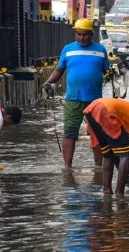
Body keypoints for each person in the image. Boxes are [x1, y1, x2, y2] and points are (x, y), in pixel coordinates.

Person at [43, 18, 110, 170]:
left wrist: (114, 76)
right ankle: (67, 167)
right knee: (70, 132)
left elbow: (107, 72)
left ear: (91, 34)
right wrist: (48, 83)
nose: (81, 38)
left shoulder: (100, 50)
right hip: (73, 98)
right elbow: (59, 70)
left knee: (97, 133)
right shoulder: (68, 49)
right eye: (78, 34)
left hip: (95, 101)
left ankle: (98, 167)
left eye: (85, 35)